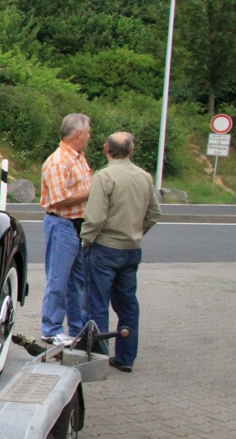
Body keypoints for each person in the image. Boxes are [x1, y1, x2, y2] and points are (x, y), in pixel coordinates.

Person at [81, 132, 161, 372]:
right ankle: (126, 358)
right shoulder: (144, 177)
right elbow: (154, 213)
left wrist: (87, 239)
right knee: (127, 304)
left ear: (106, 149)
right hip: (131, 248)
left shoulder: (104, 176)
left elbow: (95, 217)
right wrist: (137, 231)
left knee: (97, 303)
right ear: (132, 150)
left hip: (104, 247)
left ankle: (97, 358)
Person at [39, 113, 92, 345]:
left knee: (77, 280)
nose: (89, 136)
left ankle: (77, 328)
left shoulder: (79, 158)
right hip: (62, 225)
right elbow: (59, 199)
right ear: (79, 134)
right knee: (58, 279)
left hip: (79, 225)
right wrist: (91, 192)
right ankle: (51, 329)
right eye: (88, 132)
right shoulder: (59, 161)